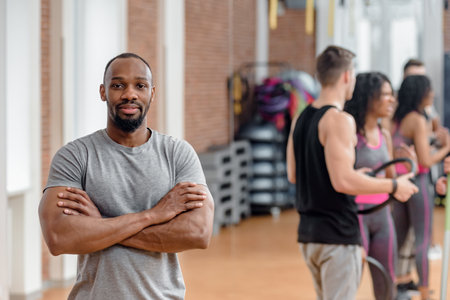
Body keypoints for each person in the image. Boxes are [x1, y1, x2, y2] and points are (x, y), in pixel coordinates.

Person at [38, 53, 214, 300]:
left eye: (140, 86)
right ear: (103, 92)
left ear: (152, 93)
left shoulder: (177, 153)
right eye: (118, 85)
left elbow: (198, 232)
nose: (129, 94)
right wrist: (152, 216)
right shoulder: (75, 156)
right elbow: (58, 237)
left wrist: (100, 227)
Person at [286, 45, 418, 300]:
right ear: (347, 76)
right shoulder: (340, 119)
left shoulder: (300, 118)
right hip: (337, 235)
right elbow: (343, 180)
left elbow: (294, 174)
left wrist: (360, 177)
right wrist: (393, 186)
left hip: (309, 237)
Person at [391, 75, 450, 300]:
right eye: (429, 89)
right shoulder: (417, 120)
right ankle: (425, 293)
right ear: (420, 93)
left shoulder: (396, 119)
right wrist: (447, 148)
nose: (432, 93)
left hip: (400, 183)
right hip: (419, 183)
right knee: (423, 240)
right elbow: (425, 161)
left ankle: (394, 287)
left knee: (398, 238)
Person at [344, 72, 399, 300]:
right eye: (384, 95)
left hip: (383, 216)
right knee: (350, 283)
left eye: (391, 94)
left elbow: (392, 179)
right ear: (369, 98)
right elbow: (343, 177)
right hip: (357, 216)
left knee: (387, 283)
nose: (391, 99)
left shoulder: (384, 134)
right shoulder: (350, 134)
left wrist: (409, 165)